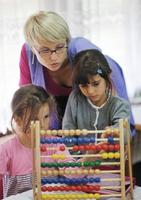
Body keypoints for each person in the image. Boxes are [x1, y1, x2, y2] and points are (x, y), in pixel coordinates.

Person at [19, 10, 135, 135]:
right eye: (44, 50)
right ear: (32, 48)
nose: (53, 57)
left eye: (59, 47)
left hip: (90, 106)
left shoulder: (83, 51)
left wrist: (116, 130)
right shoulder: (27, 54)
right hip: (57, 112)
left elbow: (114, 105)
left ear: (67, 40)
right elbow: (27, 99)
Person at [0, 85, 75, 198]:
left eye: (46, 116)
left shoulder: (55, 145)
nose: (43, 125)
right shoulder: (6, 150)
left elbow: (73, 174)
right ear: (18, 120)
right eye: (34, 120)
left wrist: (89, 159)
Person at [62, 49, 131, 132]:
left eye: (96, 84)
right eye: (83, 86)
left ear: (107, 76)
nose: (90, 91)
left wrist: (114, 132)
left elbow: (124, 135)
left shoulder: (120, 105)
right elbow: (67, 133)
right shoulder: (75, 99)